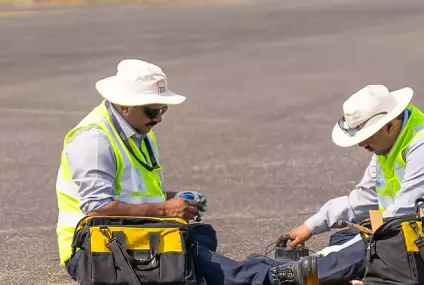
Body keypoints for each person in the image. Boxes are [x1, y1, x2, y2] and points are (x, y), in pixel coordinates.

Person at [55, 59, 317, 285]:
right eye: (153, 110)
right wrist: (166, 209)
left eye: (163, 109)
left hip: (125, 234)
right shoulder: (94, 139)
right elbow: (97, 207)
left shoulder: (139, 131)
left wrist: (175, 197)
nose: (159, 118)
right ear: (124, 105)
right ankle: (268, 277)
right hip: (92, 250)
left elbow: (135, 190)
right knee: (184, 255)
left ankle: (253, 272)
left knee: (199, 238)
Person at [270, 84, 424, 282]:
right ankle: (338, 268)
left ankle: (310, 272)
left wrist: (335, 255)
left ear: (389, 124)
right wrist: (309, 227)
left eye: (366, 136)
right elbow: (362, 201)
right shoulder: (387, 148)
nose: (361, 145)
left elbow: (403, 213)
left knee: (373, 245)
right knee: (344, 239)